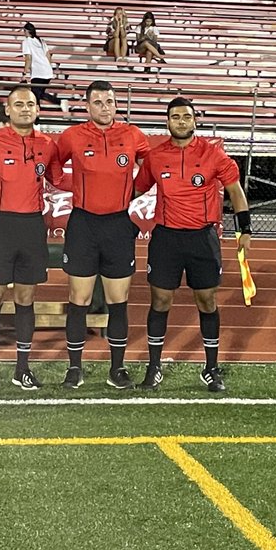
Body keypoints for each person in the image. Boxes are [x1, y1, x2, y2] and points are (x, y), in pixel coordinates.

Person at [133, 97, 253, 393]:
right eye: (176, 117)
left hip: (202, 238)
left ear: (195, 120)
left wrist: (245, 230)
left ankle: (210, 368)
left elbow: (235, 192)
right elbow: (135, 190)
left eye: (187, 116)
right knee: (160, 301)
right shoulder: (156, 156)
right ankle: (154, 367)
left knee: (207, 301)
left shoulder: (214, 155)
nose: (182, 122)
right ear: (168, 122)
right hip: (166, 239)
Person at [55, 80, 151, 389]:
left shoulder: (133, 135)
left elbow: (151, 167)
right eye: (98, 102)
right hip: (83, 224)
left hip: (118, 225)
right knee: (78, 299)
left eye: (109, 101)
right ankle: (74, 367)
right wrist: (76, 187)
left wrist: (133, 191)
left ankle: (117, 369)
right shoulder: (72, 136)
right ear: (87, 106)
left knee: (118, 300)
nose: (105, 107)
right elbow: (53, 166)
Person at [0, 84, 62, 392]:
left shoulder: (48, 144)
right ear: (7, 109)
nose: (24, 108)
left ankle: (22, 369)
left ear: (37, 109)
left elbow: (59, 178)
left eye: (30, 104)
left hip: (32, 226)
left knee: (25, 298)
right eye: (18, 104)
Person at [21, 21, 68, 112]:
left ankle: (36, 120)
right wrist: (48, 68)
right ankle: (60, 102)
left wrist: (25, 72)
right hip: (47, 71)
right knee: (39, 94)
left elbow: (28, 58)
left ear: (26, 31)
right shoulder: (41, 41)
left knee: (35, 96)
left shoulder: (26, 42)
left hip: (38, 72)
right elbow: (48, 55)